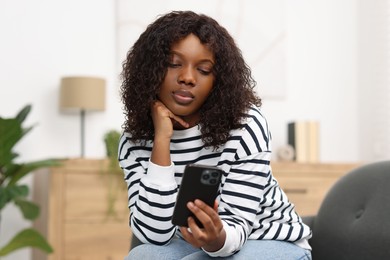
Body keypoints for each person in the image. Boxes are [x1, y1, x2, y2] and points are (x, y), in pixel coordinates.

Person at [118, 10, 312, 260]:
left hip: (270, 239)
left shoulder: (243, 125)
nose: (187, 78)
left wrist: (215, 238)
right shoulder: (134, 141)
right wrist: (161, 141)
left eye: (204, 69)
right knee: (142, 256)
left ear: (217, 81)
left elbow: (238, 225)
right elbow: (154, 234)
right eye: (174, 64)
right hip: (191, 244)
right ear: (151, 70)